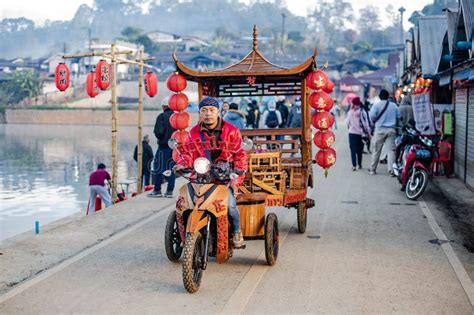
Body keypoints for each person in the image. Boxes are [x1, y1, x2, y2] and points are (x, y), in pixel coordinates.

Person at [173, 97, 248, 248]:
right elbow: (187, 153)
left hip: (225, 178)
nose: (208, 114)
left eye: (212, 110)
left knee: (231, 206)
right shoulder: (193, 132)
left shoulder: (232, 131)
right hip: (201, 177)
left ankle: (237, 232)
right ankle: (186, 235)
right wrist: (181, 164)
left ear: (219, 112)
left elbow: (240, 154)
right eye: (204, 110)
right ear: (199, 113)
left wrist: (238, 171)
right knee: (185, 204)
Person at [368, 89, 400, 176]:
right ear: (388, 97)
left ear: (380, 96)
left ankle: (373, 169)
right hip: (391, 130)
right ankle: (391, 171)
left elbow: (371, 116)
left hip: (380, 130)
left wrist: (374, 122)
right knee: (391, 151)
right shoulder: (394, 106)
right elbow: (398, 117)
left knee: (376, 150)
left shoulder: (376, 105)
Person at [149, 96, 176, 198]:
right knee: (171, 168)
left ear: (164, 106)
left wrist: (160, 137)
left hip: (163, 146)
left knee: (157, 168)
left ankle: (157, 190)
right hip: (174, 148)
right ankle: (169, 192)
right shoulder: (177, 117)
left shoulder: (162, 116)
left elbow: (158, 131)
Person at [346, 97, 370, 171]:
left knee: (353, 150)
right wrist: (368, 133)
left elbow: (347, 123)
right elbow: (366, 124)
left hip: (352, 133)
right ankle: (359, 165)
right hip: (361, 134)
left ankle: (354, 166)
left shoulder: (350, 112)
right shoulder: (363, 112)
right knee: (359, 150)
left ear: (352, 104)